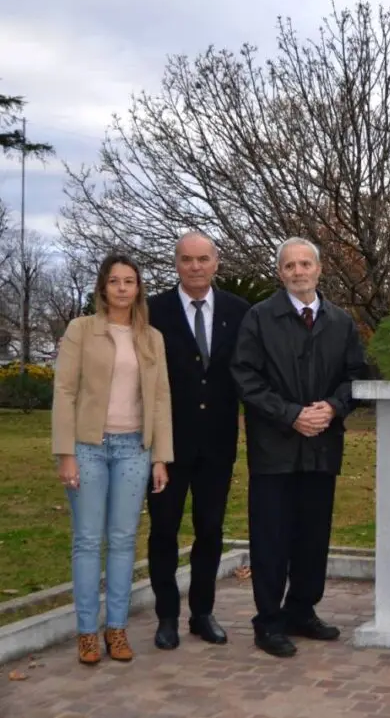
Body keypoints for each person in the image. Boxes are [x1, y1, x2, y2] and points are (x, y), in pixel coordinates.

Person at [231, 237, 369, 658]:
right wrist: (291, 414)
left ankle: (301, 610)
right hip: (275, 448)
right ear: (280, 273)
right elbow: (245, 376)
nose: (298, 272)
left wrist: (332, 407)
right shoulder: (259, 318)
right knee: (271, 538)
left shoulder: (340, 322)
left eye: (305, 263)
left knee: (313, 537)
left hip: (322, 448)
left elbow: (356, 377)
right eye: (290, 266)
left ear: (319, 269)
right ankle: (268, 622)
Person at [51, 252, 172, 665]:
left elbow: (160, 398)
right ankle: (86, 632)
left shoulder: (151, 337)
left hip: (133, 448)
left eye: (130, 281)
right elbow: (65, 392)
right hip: (87, 447)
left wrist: (160, 457)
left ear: (138, 288)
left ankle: (116, 630)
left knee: (122, 541)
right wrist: (65, 453)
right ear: (103, 287)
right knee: (87, 541)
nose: (122, 288)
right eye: (115, 281)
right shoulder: (81, 330)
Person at [146, 231, 251, 650]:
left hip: (217, 443)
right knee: (164, 530)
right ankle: (167, 616)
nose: (195, 266)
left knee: (210, 529)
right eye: (187, 259)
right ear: (176, 263)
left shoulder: (238, 311)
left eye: (203, 259)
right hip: (167, 444)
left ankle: (202, 613)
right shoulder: (153, 310)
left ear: (216, 262)